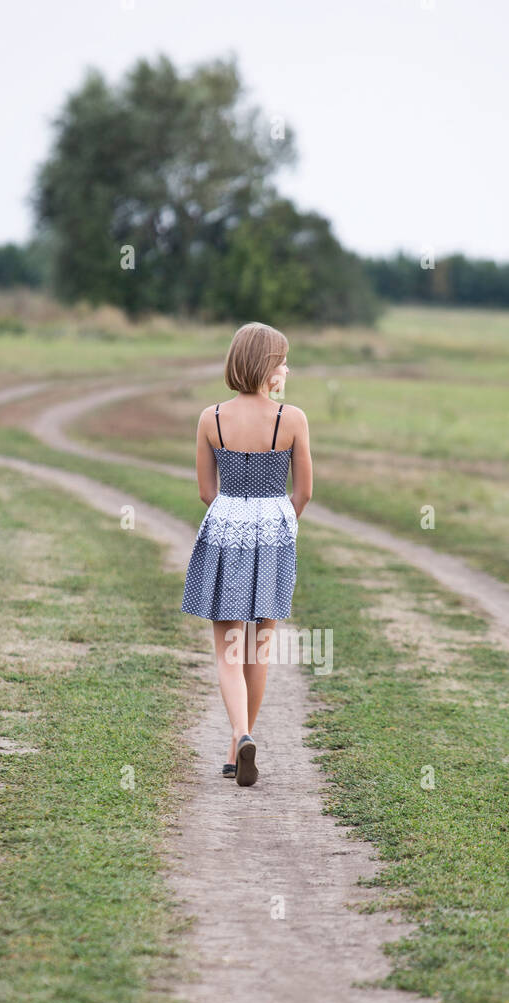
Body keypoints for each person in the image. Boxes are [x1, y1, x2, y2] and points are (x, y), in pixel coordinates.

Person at [181, 321, 313, 787]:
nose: (287, 367)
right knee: (259, 648)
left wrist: (234, 511)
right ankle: (240, 744)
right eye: (283, 359)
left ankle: (239, 736)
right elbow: (305, 492)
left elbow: (205, 491)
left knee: (227, 650)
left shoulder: (210, 418)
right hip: (275, 533)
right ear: (268, 366)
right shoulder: (291, 419)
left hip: (226, 533)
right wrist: (280, 519)